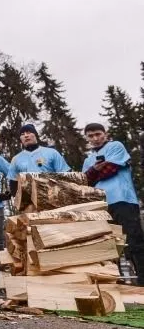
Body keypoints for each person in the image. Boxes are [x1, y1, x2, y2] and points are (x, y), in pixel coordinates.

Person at [82, 123, 144, 286]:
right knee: (107, 245)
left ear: (105, 134)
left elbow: (110, 168)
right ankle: (114, 282)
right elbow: (85, 181)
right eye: (91, 136)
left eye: (98, 134)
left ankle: (142, 282)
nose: (95, 138)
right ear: (87, 138)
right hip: (100, 205)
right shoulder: (88, 159)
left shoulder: (115, 146)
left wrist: (94, 172)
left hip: (123, 200)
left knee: (133, 242)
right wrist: (94, 171)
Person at [8, 124, 70, 195]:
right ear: (20, 139)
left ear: (35, 135)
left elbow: (65, 175)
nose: (25, 135)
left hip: (53, 197)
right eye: (22, 134)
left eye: (28, 132)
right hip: (29, 201)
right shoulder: (16, 159)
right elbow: (13, 184)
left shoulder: (52, 153)